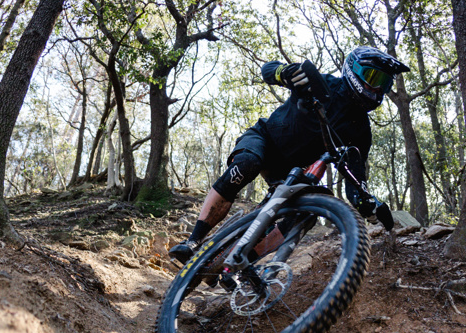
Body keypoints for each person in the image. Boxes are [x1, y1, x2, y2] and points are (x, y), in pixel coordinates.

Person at [169, 46, 410, 265]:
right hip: (264, 139)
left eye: (385, 84)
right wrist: (284, 73)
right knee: (248, 163)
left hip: (289, 172)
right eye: (373, 78)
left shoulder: (360, 132)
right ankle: (194, 240)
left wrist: (371, 205)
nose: (377, 88)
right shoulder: (322, 84)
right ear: (354, 70)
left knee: (305, 215)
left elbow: (354, 183)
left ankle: (238, 262)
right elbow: (268, 69)